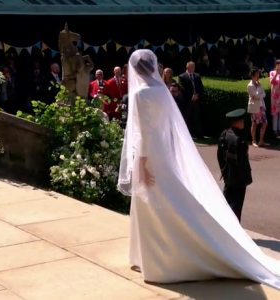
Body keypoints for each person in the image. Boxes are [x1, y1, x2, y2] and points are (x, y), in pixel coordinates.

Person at [118, 49, 280, 289]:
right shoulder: (162, 92)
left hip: (148, 153)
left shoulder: (141, 94)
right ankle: (153, 255)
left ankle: (151, 258)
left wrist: (140, 163)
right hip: (163, 151)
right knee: (164, 200)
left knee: (150, 202)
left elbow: (142, 132)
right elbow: (167, 128)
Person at [217, 109, 252, 222]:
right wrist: (245, 179)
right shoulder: (239, 140)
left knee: (226, 203)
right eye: (241, 120)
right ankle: (234, 229)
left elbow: (219, 155)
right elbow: (242, 162)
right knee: (236, 206)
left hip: (228, 175)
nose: (242, 122)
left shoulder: (225, 134)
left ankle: (224, 225)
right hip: (238, 179)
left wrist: (223, 170)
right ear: (235, 122)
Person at [179, 61, 204, 139]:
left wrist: (197, 95)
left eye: (194, 66)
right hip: (187, 101)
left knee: (197, 116)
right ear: (187, 67)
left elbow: (201, 87)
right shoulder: (182, 76)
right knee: (187, 117)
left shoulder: (197, 76)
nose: (193, 68)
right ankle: (187, 134)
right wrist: (190, 97)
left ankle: (198, 133)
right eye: (191, 66)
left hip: (196, 99)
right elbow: (183, 89)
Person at [247, 67, 269, 147]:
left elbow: (264, 94)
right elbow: (255, 95)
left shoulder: (259, 84)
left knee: (265, 123)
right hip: (254, 107)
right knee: (254, 123)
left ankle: (261, 141)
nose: (258, 76)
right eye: (256, 75)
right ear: (252, 76)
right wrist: (259, 91)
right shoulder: (250, 86)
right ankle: (254, 141)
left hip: (261, 106)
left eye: (258, 74)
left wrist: (259, 95)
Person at [269, 59, 280, 137]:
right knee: (275, 114)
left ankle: (279, 129)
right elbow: (271, 82)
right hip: (275, 96)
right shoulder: (272, 73)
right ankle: (274, 130)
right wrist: (276, 73)